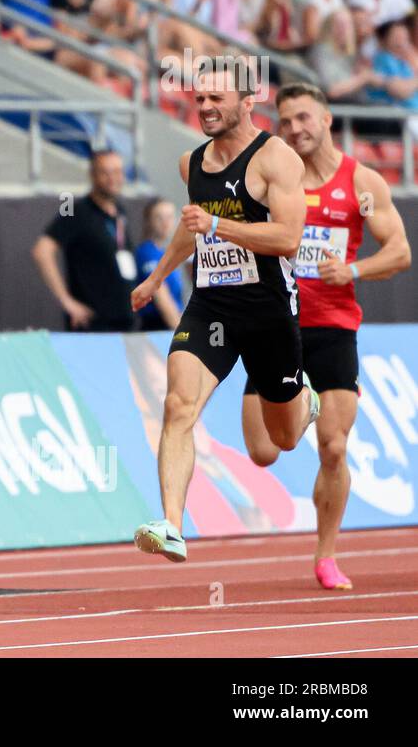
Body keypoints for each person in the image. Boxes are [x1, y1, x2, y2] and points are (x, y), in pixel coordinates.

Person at [130, 70, 322, 564]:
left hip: (266, 309)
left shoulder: (275, 157)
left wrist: (218, 223)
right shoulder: (190, 163)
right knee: (177, 405)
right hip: (211, 304)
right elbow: (191, 228)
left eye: (217, 97)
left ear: (248, 100)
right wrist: (156, 279)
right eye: (200, 98)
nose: (206, 106)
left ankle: (305, 399)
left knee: (281, 439)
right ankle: (172, 525)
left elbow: (287, 239)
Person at [239, 84, 411, 590]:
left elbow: (400, 252)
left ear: (327, 118)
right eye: (286, 122)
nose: (294, 129)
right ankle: (301, 399)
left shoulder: (362, 182)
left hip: (333, 328)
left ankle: (326, 555)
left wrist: (352, 271)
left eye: (303, 118)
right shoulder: (271, 175)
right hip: (276, 325)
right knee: (264, 452)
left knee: (333, 448)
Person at [31, 149, 137, 332]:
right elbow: (42, 250)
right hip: (93, 325)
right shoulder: (74, 208)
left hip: (125, 321)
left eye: (118, 172)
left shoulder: (120, 211)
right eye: (105, 172)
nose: (113, 178)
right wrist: (66, 301)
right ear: (93, 175)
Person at [135, 198, 186, 331]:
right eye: (159, 217)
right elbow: (161, 297)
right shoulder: (147, 253)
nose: (165, 223)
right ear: (148, 221)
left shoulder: (165, 254)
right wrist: (183, 335)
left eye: (169, 217)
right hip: (158, 327)